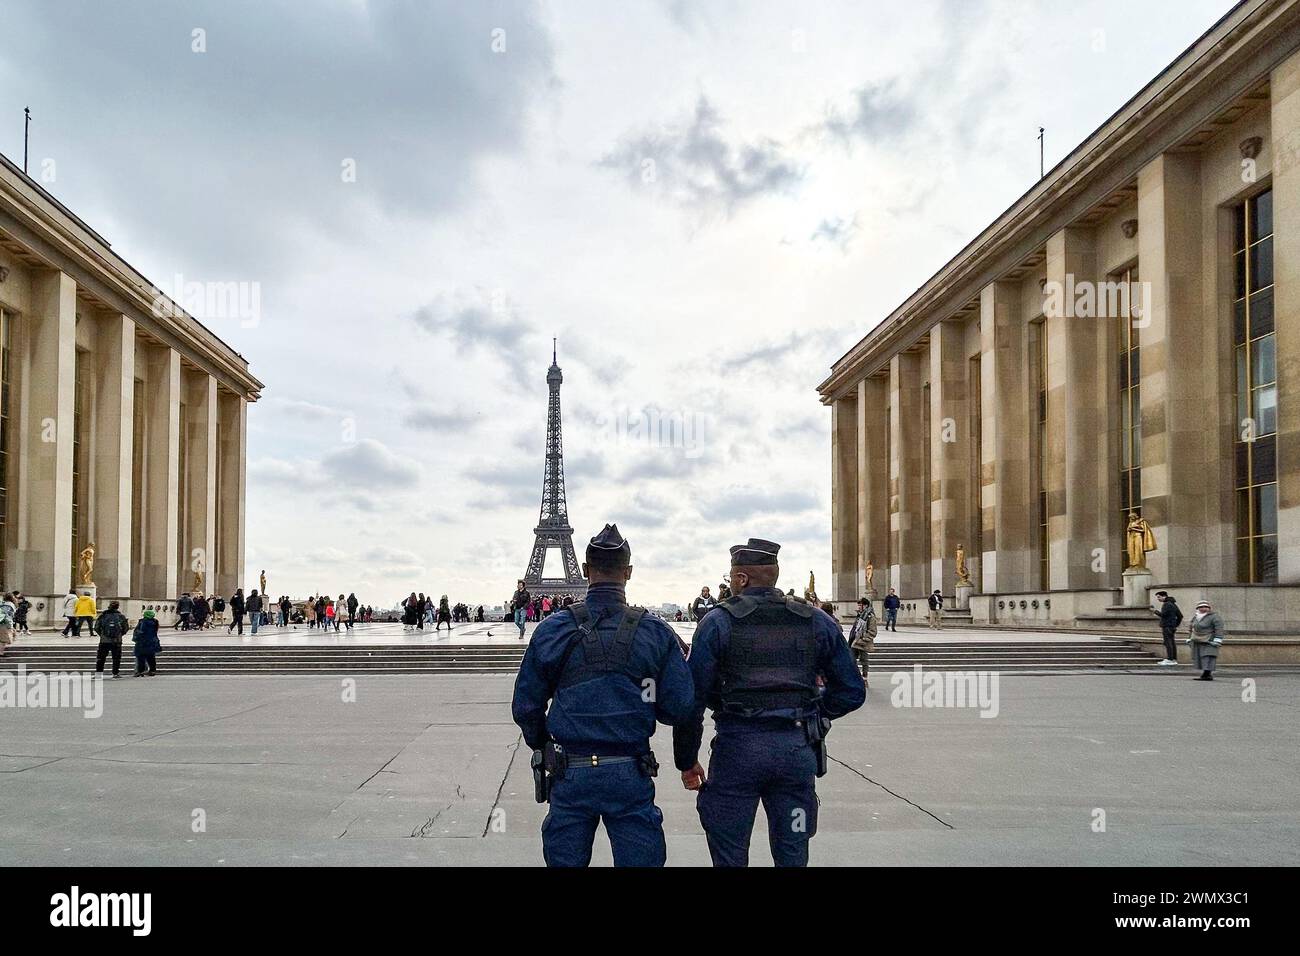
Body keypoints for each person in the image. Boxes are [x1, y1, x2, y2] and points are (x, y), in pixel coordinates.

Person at [673, 537, 865, 868]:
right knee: (793, 846)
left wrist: (687, 761)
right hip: (796, 752)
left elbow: (692, 701)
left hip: (737, 753)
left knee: (729, 848)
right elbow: (851, 690)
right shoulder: (815, 620)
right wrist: (812, 711)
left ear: (741, 578)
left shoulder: (718, 622)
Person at [512, 523, 694, 867]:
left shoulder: (552, 629)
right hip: (629, 770)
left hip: (570, 770)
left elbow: (526, 706)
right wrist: (644, 696)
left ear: (584, 570)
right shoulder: (655, 631)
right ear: (628, 572)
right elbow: (680, 707)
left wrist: (543, 745)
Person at [1187, 600, 1226, 681]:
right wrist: (1189, 638)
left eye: (1206, 607)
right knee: (1200, 657)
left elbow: (1219, 628)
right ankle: (1205, 673)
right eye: (1201, 607)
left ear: (1209, 608)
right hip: (1198, 640)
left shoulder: (1215, 617)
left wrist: (1218, 639)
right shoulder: (1196, 617)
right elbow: (1191, 628)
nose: (1204, 608)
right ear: (1198, 608)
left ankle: (1207, 673)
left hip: (1210, 640)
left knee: (1208, 656)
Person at [94, 600, 129, 679]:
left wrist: (102, 634)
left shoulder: (103, 616)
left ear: (109, 606)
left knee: (101, 658)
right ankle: (115, 673)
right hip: (117, 641)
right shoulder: (121, 616)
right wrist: (119, 634)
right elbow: (126, 628)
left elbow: (96, 627)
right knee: (116, 658)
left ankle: (98, 674)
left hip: (104, 641)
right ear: (117, 607)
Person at [847, 596, 877, 687]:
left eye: (861, 605)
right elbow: (855, 628)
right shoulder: (860, 615)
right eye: (859, 605)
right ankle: (855, 677)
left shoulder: (870, 616)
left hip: (863, 642)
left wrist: (863, 639)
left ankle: (864, 679)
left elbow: (873, 631)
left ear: (866, 605)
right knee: (851, 659)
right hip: (855, 641)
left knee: (864, 660)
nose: (859, 607)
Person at [1153, 591, 1183, 666]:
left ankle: (1170, 659)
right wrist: (1175, 625)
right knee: (1172, 642)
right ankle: (1173, 658)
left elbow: (1163, 615)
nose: (1158, 599)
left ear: (1164, 596)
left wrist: (1155, 611)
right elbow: (1180, 616)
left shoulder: (1167, 604)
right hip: (1171, 626)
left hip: (1167, 626)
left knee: (1168, 642)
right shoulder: (1173, 604)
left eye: (1159, 597)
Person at [132, 609, 161, 677]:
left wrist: (136, 637)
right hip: (152, 641)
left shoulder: (143, 622)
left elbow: (140, 631)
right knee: (151, 657)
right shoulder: (155, 622)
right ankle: (152, 670)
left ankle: (140, 671)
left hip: (142, 642)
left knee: (141, 657)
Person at [0, 593, 15, 657]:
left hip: (2, 623)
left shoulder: (2, 603)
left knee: (3, 639)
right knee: (4, 640)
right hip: (5, 624)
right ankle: (0, 653)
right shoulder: (9, 604)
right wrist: (9, 625)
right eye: (13, 596)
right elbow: (6, 615)